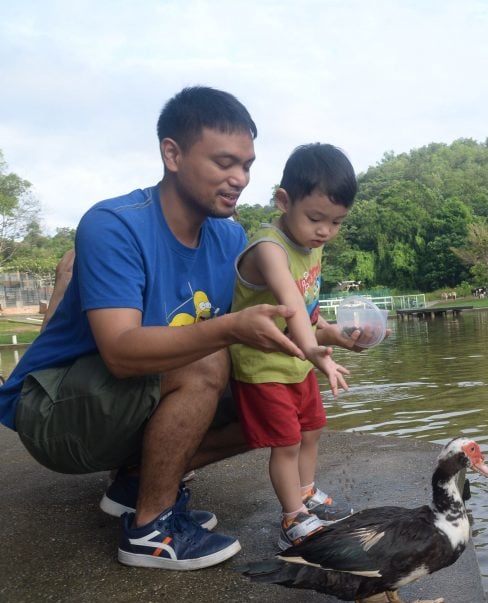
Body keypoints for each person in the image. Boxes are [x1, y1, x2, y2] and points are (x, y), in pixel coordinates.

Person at [0, 86, 356, 571]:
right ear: (172, 153)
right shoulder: (115, 225)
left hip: (125, 399)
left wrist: (329, 336)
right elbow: (122, 353)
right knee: (211, 356)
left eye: (247, 166)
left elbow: (271, 322)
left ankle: (135, 483)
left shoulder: (229, 237)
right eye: (224, 163)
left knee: (270, 395)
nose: (239, 179)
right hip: (55, 407)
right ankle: (150, 528)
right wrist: (231, 328)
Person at [229, 143, 358, 549]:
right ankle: (292, 517)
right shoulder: (269, 247)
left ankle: (306, 491)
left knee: (313, 430)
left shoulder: (312, 244)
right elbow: (288, 300)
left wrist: (330, 333)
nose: (325, 231)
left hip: (296, 361)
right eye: (316, 218)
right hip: (263, 364)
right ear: (284, 201)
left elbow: (309, 307)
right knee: (285, 442)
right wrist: (314, 349)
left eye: (336, 222)